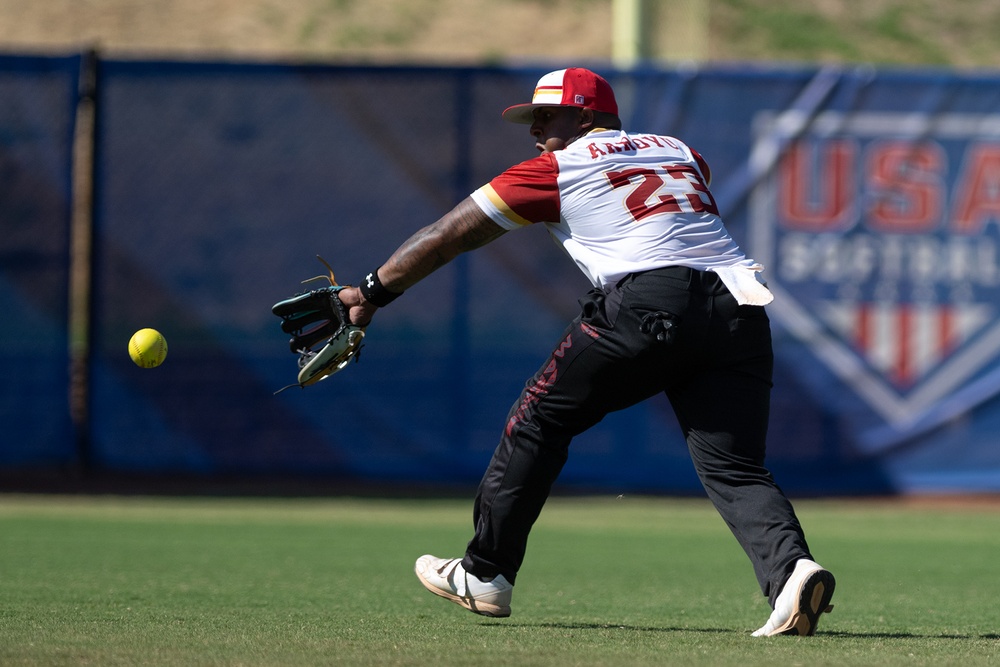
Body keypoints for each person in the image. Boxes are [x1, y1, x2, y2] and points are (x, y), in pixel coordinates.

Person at [336, 67, 836, 636]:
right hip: (739, 304)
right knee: (736, 466)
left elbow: (451, 232)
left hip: (652, 298)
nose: (536, 129)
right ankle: (793, 571)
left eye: (547, 116)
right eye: (533, 118)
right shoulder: (680, 150)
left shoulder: (557, 167)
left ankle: (484, 573)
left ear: (589, 117)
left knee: (538, 419)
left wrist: (373, 291)